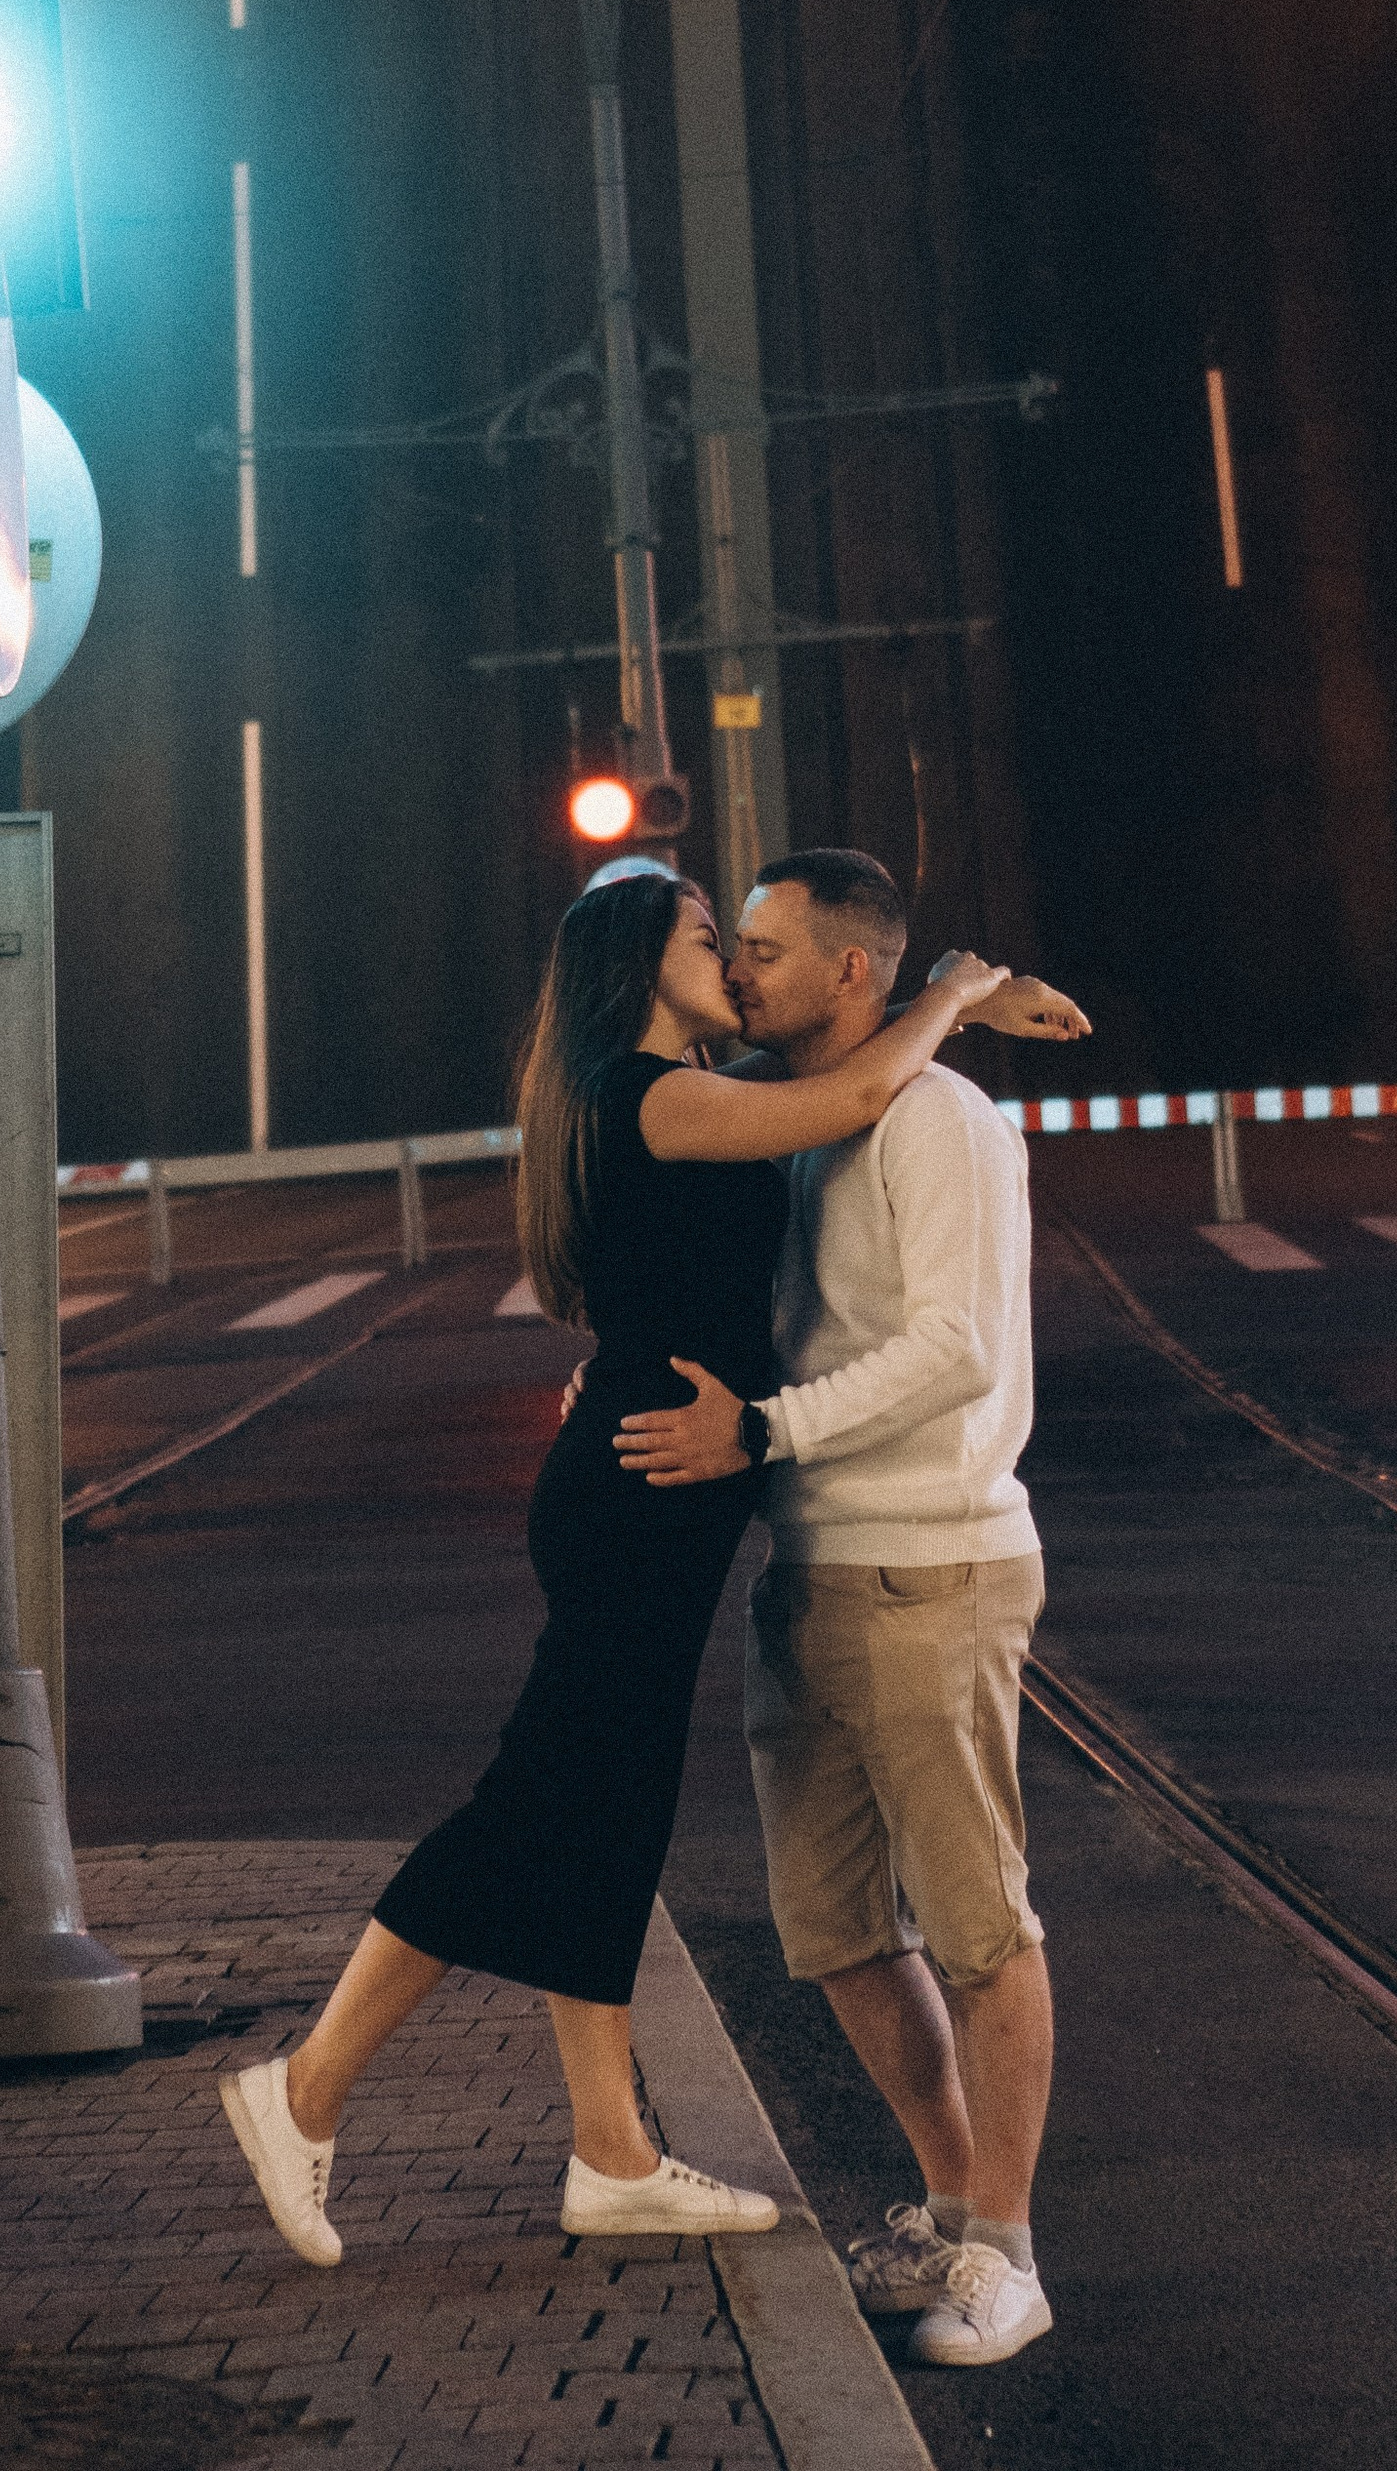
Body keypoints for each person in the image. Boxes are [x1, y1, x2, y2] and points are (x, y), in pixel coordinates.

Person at [217, 870, 1019, 2267]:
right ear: (644, 959)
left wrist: (943, 1002)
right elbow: (840, 1098)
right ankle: (303, 2090)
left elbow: (812, 1072)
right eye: (714, 940)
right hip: (647, 1488)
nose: (738, 966)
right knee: (537, 1799)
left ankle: (613, 2151)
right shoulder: (653, 1093)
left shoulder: (662, 1083)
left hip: (649, 1485)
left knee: (608, 1810)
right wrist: (955, 992)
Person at [616, 849, 1059, 2370]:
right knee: (835, 1933)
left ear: (853, 973)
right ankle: (948, 2200)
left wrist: (766, 1430)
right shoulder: (810, 1115)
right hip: (807, 1568)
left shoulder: (936, 1120)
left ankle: (1005, 2249)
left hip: (931, 1562)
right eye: (730, 947)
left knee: (982, 1924)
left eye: (764, 951)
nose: (737, 975)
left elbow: (951, 1349)